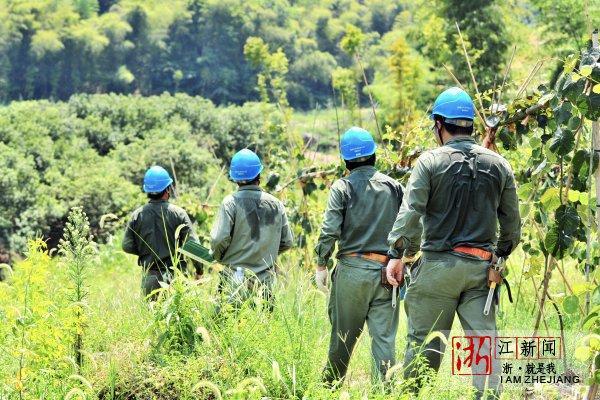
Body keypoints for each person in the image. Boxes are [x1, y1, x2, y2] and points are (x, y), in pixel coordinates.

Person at [386, 87, 521, 398]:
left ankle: (415, 395)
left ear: (439, 124)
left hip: (437, 269)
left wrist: (396, 252)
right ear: (470, 125)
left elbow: (412, 211)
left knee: (424, 345)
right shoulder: (499, 164)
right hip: (481, 270)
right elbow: (512, 225)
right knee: (483, 345)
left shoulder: (429, 162)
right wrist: (499, 256)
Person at [314, 127, 407, 387]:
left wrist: (321, 263)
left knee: (342, 339)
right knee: (385, 342)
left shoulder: (342, 187)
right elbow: (410, 226)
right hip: (387, 275)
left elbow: (329, 230)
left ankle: (330, 390)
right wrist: (400, 257)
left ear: (346, 161)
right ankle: (385, 392)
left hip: (352, 273)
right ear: (374, 155)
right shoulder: (395, 187)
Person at [210, 149, 293, 309]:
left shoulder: (230, 203)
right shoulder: (276, 204)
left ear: (235, 178)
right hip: (265, 285)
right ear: (259, 175)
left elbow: (218, 239)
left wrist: (219, 258)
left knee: (226, 329)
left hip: (233, 283)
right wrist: (266, 255)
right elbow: (287, 242)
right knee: (264, 330)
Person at [123, 165, 202, 300]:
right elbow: (193, 246)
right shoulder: (178, 214)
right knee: (177, 318)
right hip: (175, 278)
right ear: (167, 189)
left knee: (152, 318)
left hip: (149, 279)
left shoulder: (137, 215)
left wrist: (145, 250)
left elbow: (127, 246)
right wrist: (199, 270)